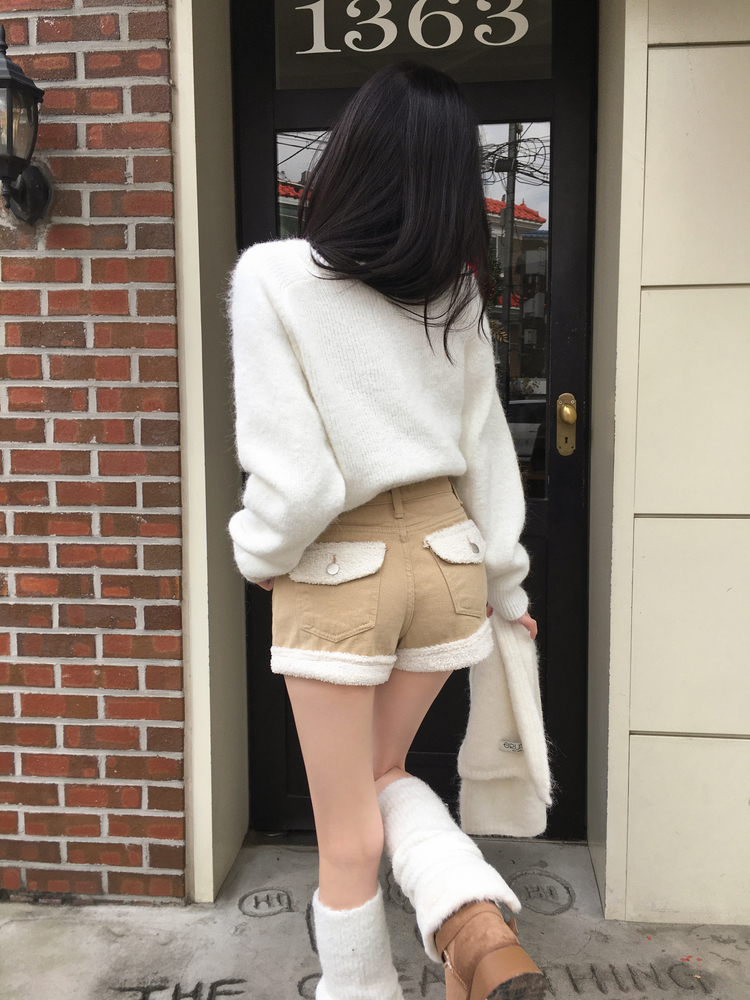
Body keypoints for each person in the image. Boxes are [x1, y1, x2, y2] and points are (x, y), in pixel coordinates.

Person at [228, 63, 547, 1000]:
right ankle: (477, 931)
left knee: (345, 836)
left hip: (340, 563)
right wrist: (506, 589)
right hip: (449, 558)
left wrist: (260, 556)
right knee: (384, 771)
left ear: (351, 154)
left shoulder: (274, 276)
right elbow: (488, 455)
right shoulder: (457, 295)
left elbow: (298, 477)